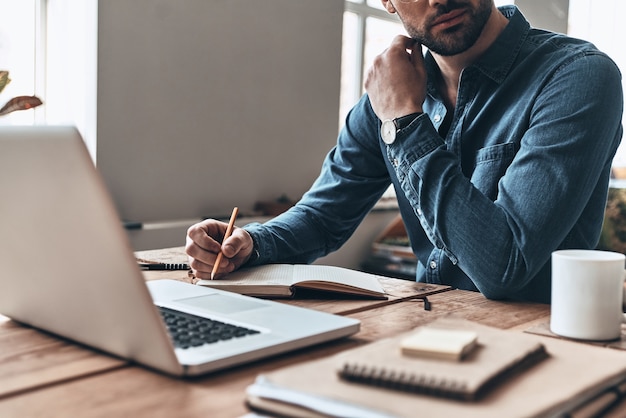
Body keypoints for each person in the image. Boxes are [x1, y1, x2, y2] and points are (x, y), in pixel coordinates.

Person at [186, 0, 623, 303]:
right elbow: (322, 216)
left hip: (537, 350)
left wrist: (405, 122)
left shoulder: (578, 77)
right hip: (425, 330)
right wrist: (251, 243)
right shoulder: (390, 94)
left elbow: (502, 267)